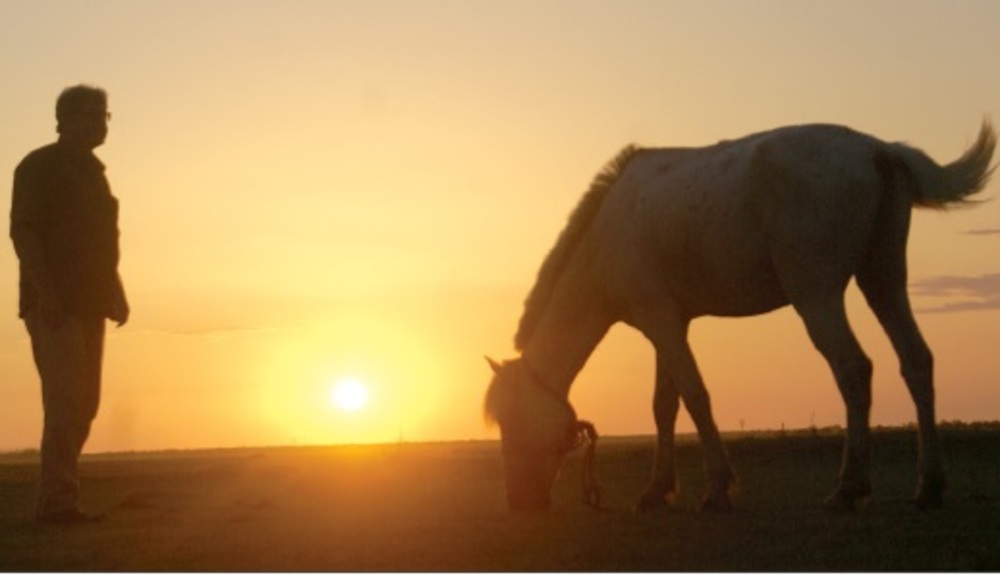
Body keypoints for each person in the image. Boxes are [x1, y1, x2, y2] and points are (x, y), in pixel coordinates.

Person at [10, 85, 129, 524]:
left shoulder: (95, 175)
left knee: (85, 406)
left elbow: (101, 244)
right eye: (90, 114)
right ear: (63, 119)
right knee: (64, 403)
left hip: (91, 303)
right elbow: (24, 232)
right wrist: (47, 294)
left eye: (105, 115)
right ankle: (58, 503)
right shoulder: (40, 166)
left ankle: (59, 495)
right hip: (55, 305)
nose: (100, 122)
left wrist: (115, 290)